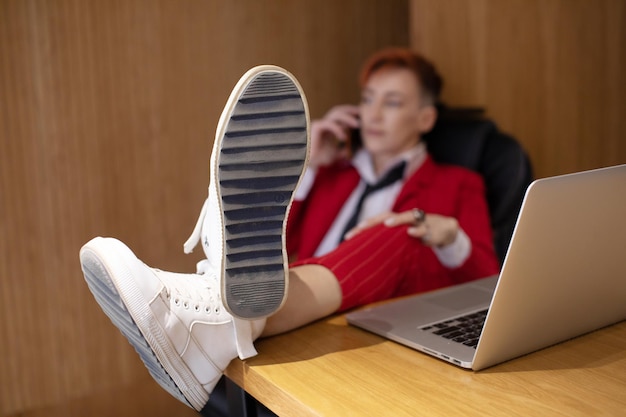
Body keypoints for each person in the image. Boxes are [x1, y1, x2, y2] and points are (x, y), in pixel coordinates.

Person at [79, 48, 500, 412]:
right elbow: (280, 247)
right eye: (367, 99)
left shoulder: (458, 183)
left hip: (385, 317)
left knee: (396, 233)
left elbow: (488, 281)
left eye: (391, 103)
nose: (372, 114)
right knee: (261, 240)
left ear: (425, 117)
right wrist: (309, 166)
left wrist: (446, 234)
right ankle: (224, 320)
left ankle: (217, 321)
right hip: (308, 313)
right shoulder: (333, 176)